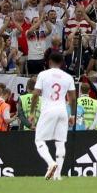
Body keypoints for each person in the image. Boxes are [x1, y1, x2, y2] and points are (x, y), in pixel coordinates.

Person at [30, 51, 76, 180]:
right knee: (60, 142)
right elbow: (72, 98)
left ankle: (51, 163)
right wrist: (72, 115)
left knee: (39, 140)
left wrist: (32, 112)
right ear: (62, 63)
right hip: (62, 110)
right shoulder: (68, 77)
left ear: (49, 62)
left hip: (48, 110)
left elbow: (35, 94)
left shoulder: (43, 75)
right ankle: (58, 175)